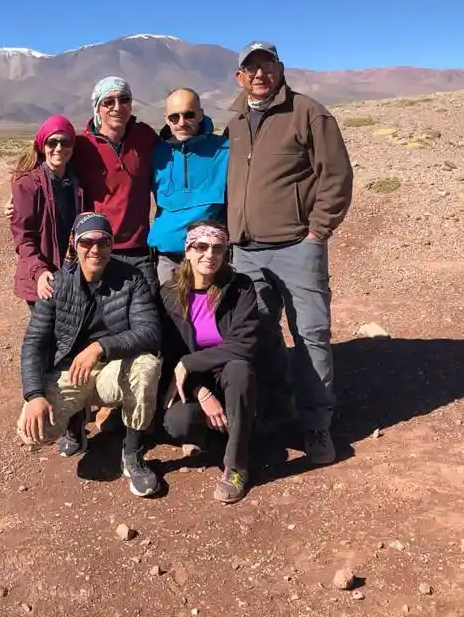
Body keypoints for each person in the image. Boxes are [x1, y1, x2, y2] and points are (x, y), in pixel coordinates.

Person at [224, 41, 354, 465]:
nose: (259, 74)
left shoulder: (308, 112)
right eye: (251, 68)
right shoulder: (234, 120)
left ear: (280, 69)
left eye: (267, 66)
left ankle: (316, 423)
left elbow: (336, 174)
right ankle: (275, 411)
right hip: (246, 252)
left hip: (297, 247)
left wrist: (318, 231)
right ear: (239, 76)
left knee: (311, 335)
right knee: (259, 335)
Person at [16, 212, 163, 497]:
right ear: (74, 243)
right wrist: (34, 395)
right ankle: (75, 422)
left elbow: (150, 332)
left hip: (112, 367)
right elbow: (33, 343)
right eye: (87, 242)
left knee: (147, 366)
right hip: (71, 372)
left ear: (111, 245)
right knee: (33, 434)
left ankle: (132, 453)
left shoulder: (132, 279)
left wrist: (99, 348)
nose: (95, 249)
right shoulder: (58, 284)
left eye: (103, 242)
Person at [158, 222, 262, 503]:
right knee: (178, 422)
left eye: (218, 248)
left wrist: (189, 362)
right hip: (195, 383)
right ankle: (222, 434)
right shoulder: (169, 294)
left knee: (239, 370)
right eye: (201, 247)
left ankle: (237, 464)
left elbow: (244, 345)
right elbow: (168, 356)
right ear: (187, 250)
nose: (210, 254)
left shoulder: (239, 287)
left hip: (231, 375)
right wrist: (200, 391)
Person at [71, 76, 160, 295]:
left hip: (139, 249)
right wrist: (19, 201)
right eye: (108, 102)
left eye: (124, 99)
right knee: (101, 319)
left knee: (149, 315)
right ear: (97, 107)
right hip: (96, 248)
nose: (117, 107)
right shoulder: (81, 146)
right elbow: (51, 174)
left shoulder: (145, 137)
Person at [148, 87, 229, 287]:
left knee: (208, 316)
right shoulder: (156, 154)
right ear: (166, 119)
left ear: (201, 114)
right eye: (174, 117)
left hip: (209, 259)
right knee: (169, 315)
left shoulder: (225, 150)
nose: (182, 123)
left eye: (189, 115)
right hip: (167, 259)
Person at [9, 115, 84, 309]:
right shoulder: (28, 184)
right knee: (45, 336)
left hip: (71, 273)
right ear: (43, 145)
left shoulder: (77, 182)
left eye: (65, 142)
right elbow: (23, 238)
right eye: (52, 142)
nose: (59, 148)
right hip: (42, 279)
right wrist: (39, 272)